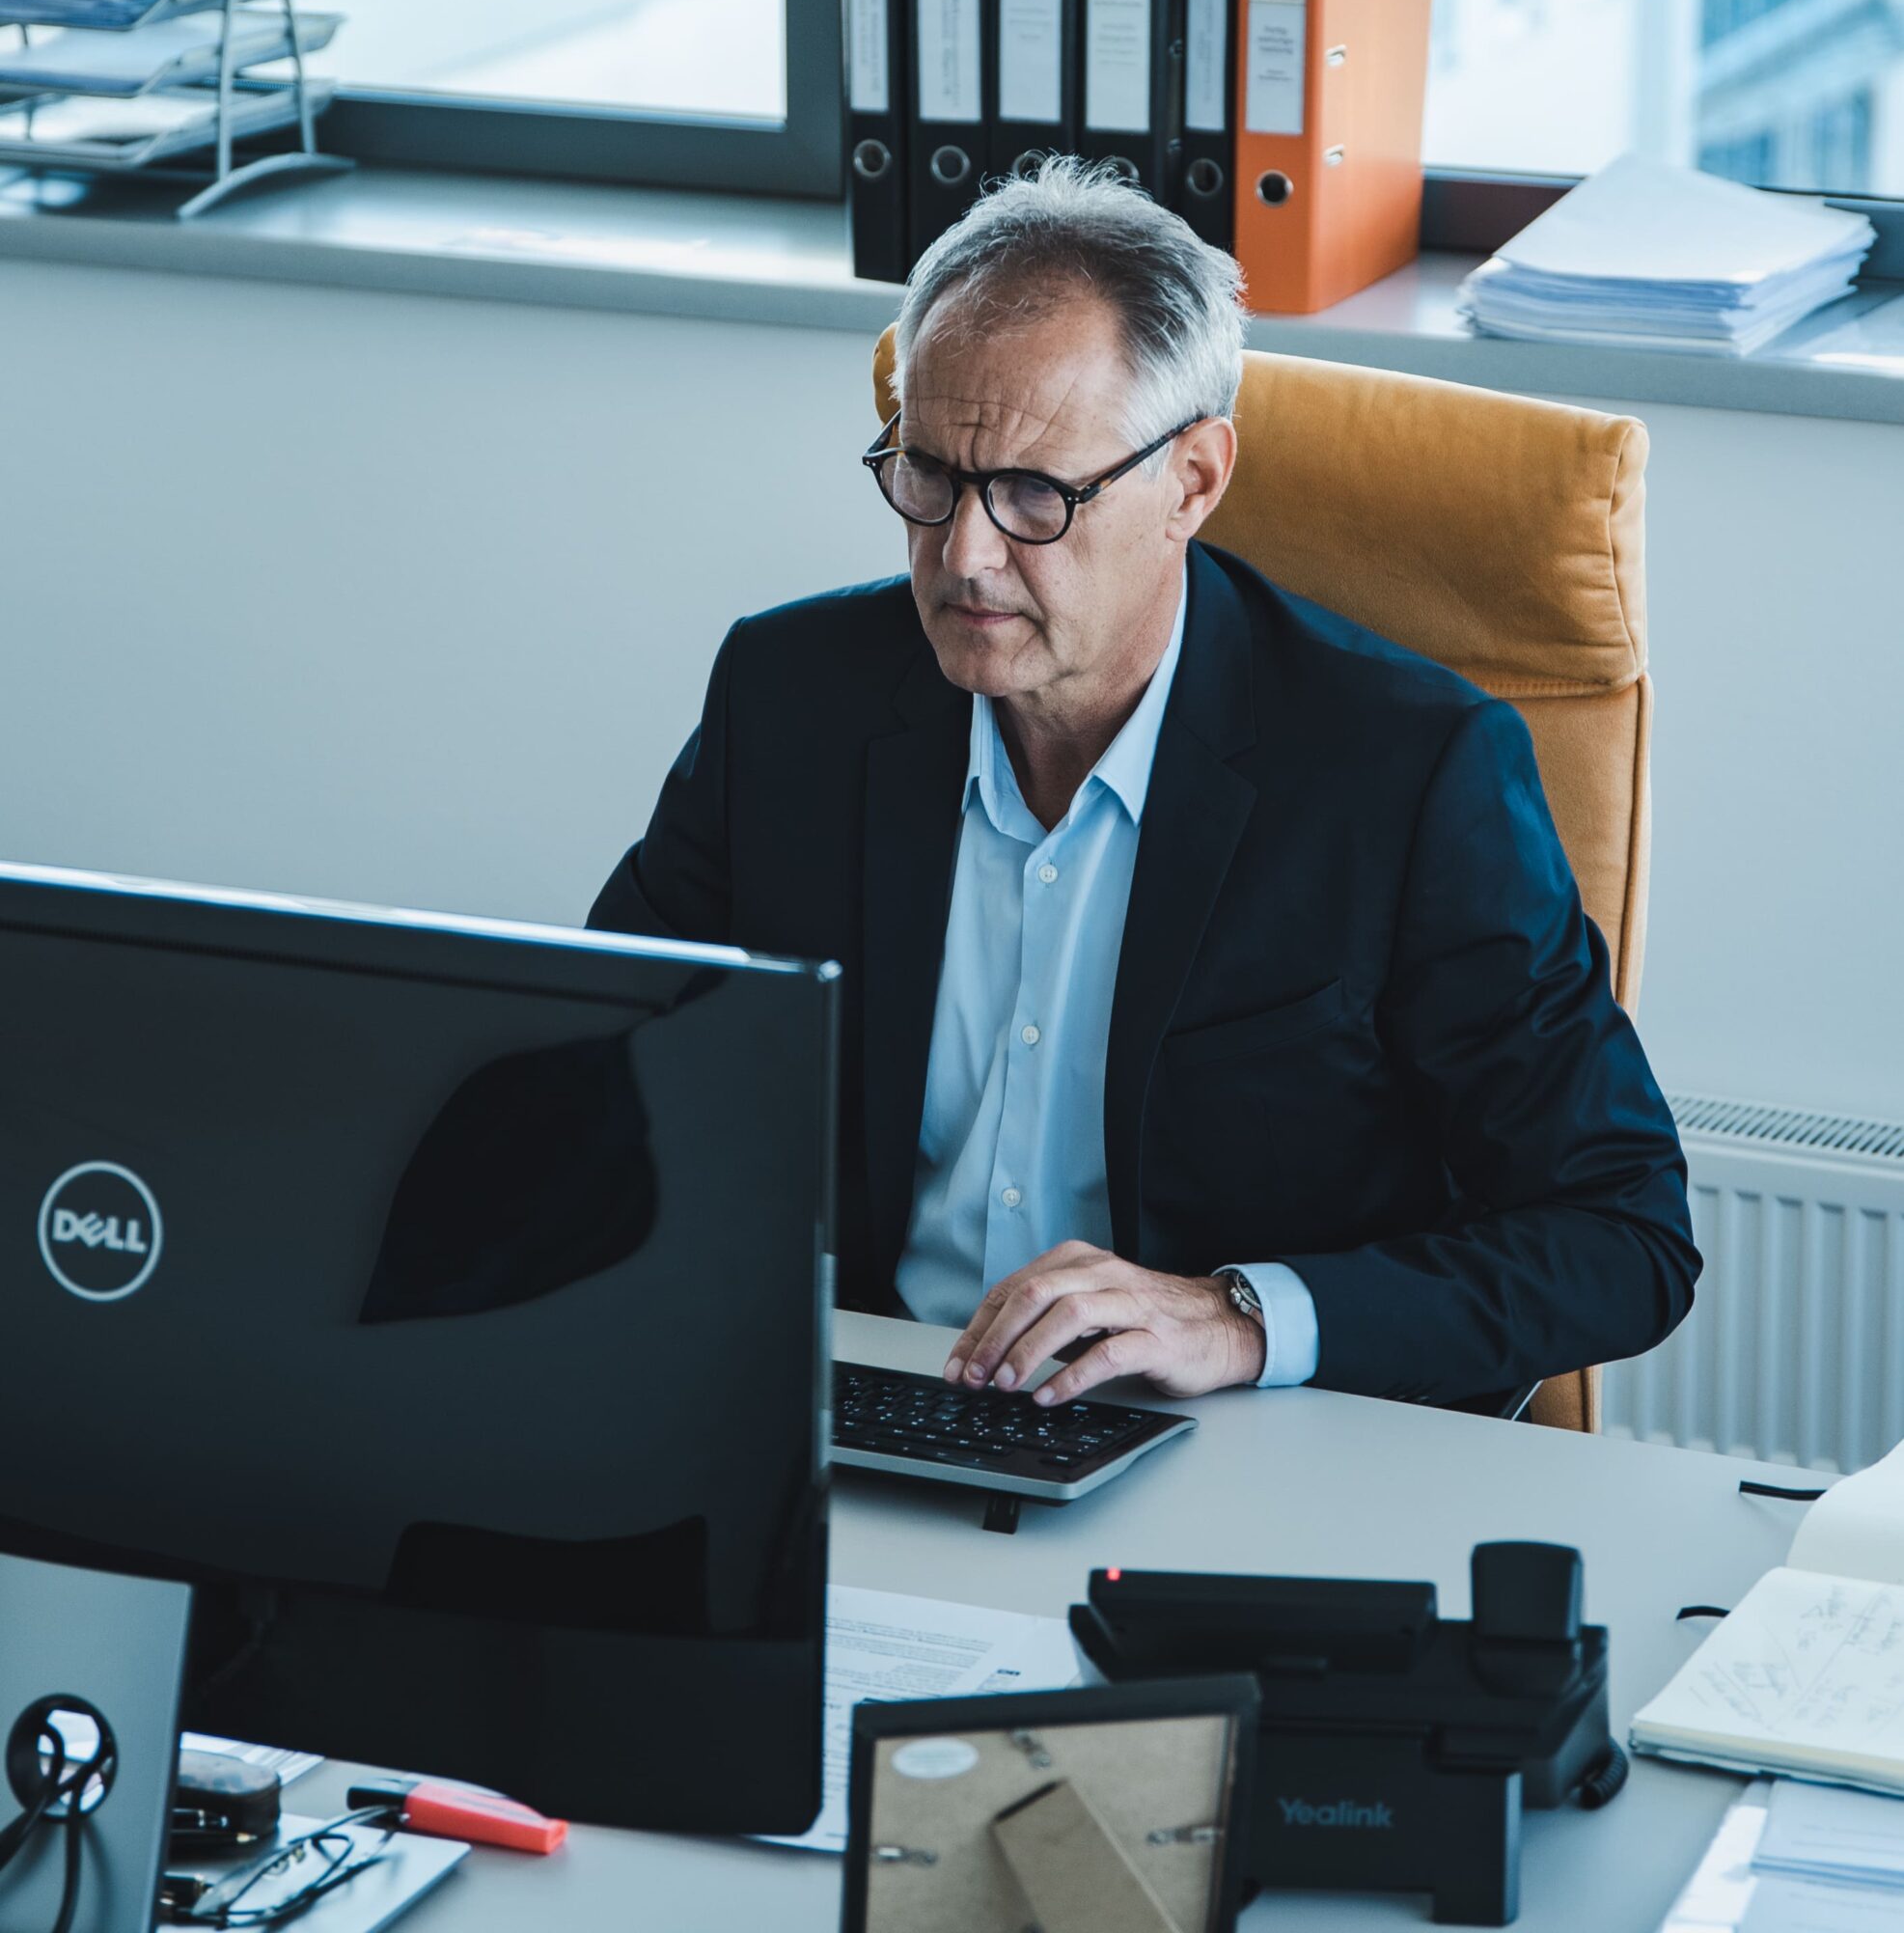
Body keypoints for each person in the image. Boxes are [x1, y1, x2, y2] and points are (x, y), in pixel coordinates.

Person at [589, 158, 1697, 1412]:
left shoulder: (1404, 776)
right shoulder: (790, 697)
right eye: (929, 478)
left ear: (1192, 481)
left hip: (1222, 1446)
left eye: (1033, 497)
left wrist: (1236, 1318)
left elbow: (1621, 1235)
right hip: (863, 1408)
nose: (962, 555)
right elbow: (595, 1066)